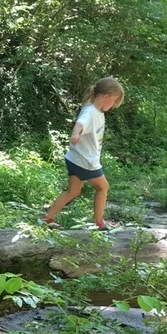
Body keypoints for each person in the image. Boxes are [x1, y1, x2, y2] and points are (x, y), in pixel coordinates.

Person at [42, 76, 125, 230]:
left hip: (75, 159)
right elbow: (80, 123)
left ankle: (47, 218)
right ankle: (99, 222)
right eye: (114, 101)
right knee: (103, 187)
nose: (114, 105)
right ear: (105, 96)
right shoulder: (90, 112)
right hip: (86, 161)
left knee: (73, 191)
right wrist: (75, 134)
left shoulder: (94, 110)